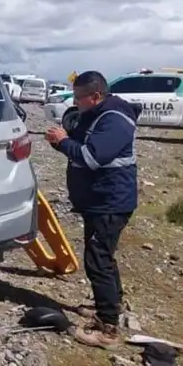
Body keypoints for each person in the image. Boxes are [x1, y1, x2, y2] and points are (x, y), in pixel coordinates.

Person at [45, 71, 141, 349]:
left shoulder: (115, 120)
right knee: (104, 256)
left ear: (96, 96)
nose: (75, 103)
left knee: (97, 261)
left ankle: (107, 328)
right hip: (98, 201)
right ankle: (111, 305)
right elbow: (81, 145)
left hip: (110, 202)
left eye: (78, 98)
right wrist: (62, 142)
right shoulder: (97, 114)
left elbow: (91, 157)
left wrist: (64, 141)